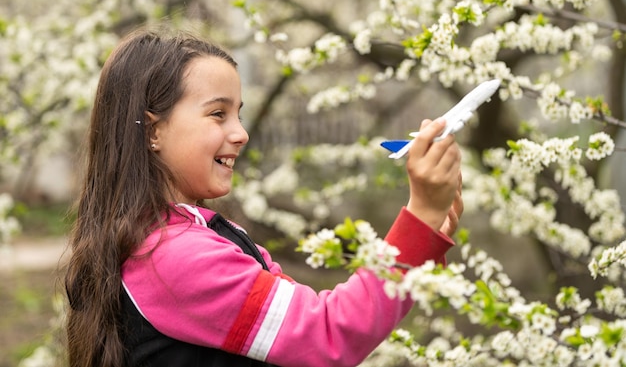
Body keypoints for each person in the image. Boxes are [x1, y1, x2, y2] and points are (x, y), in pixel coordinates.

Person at [64, 27, 463, 367]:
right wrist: (420, 217)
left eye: (238, 113)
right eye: (218, 114)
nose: (241, 133)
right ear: (153, 131)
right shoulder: (174, 258)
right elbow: (328, 334)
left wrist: (422, 242)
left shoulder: (186, 239)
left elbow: (306, 324)